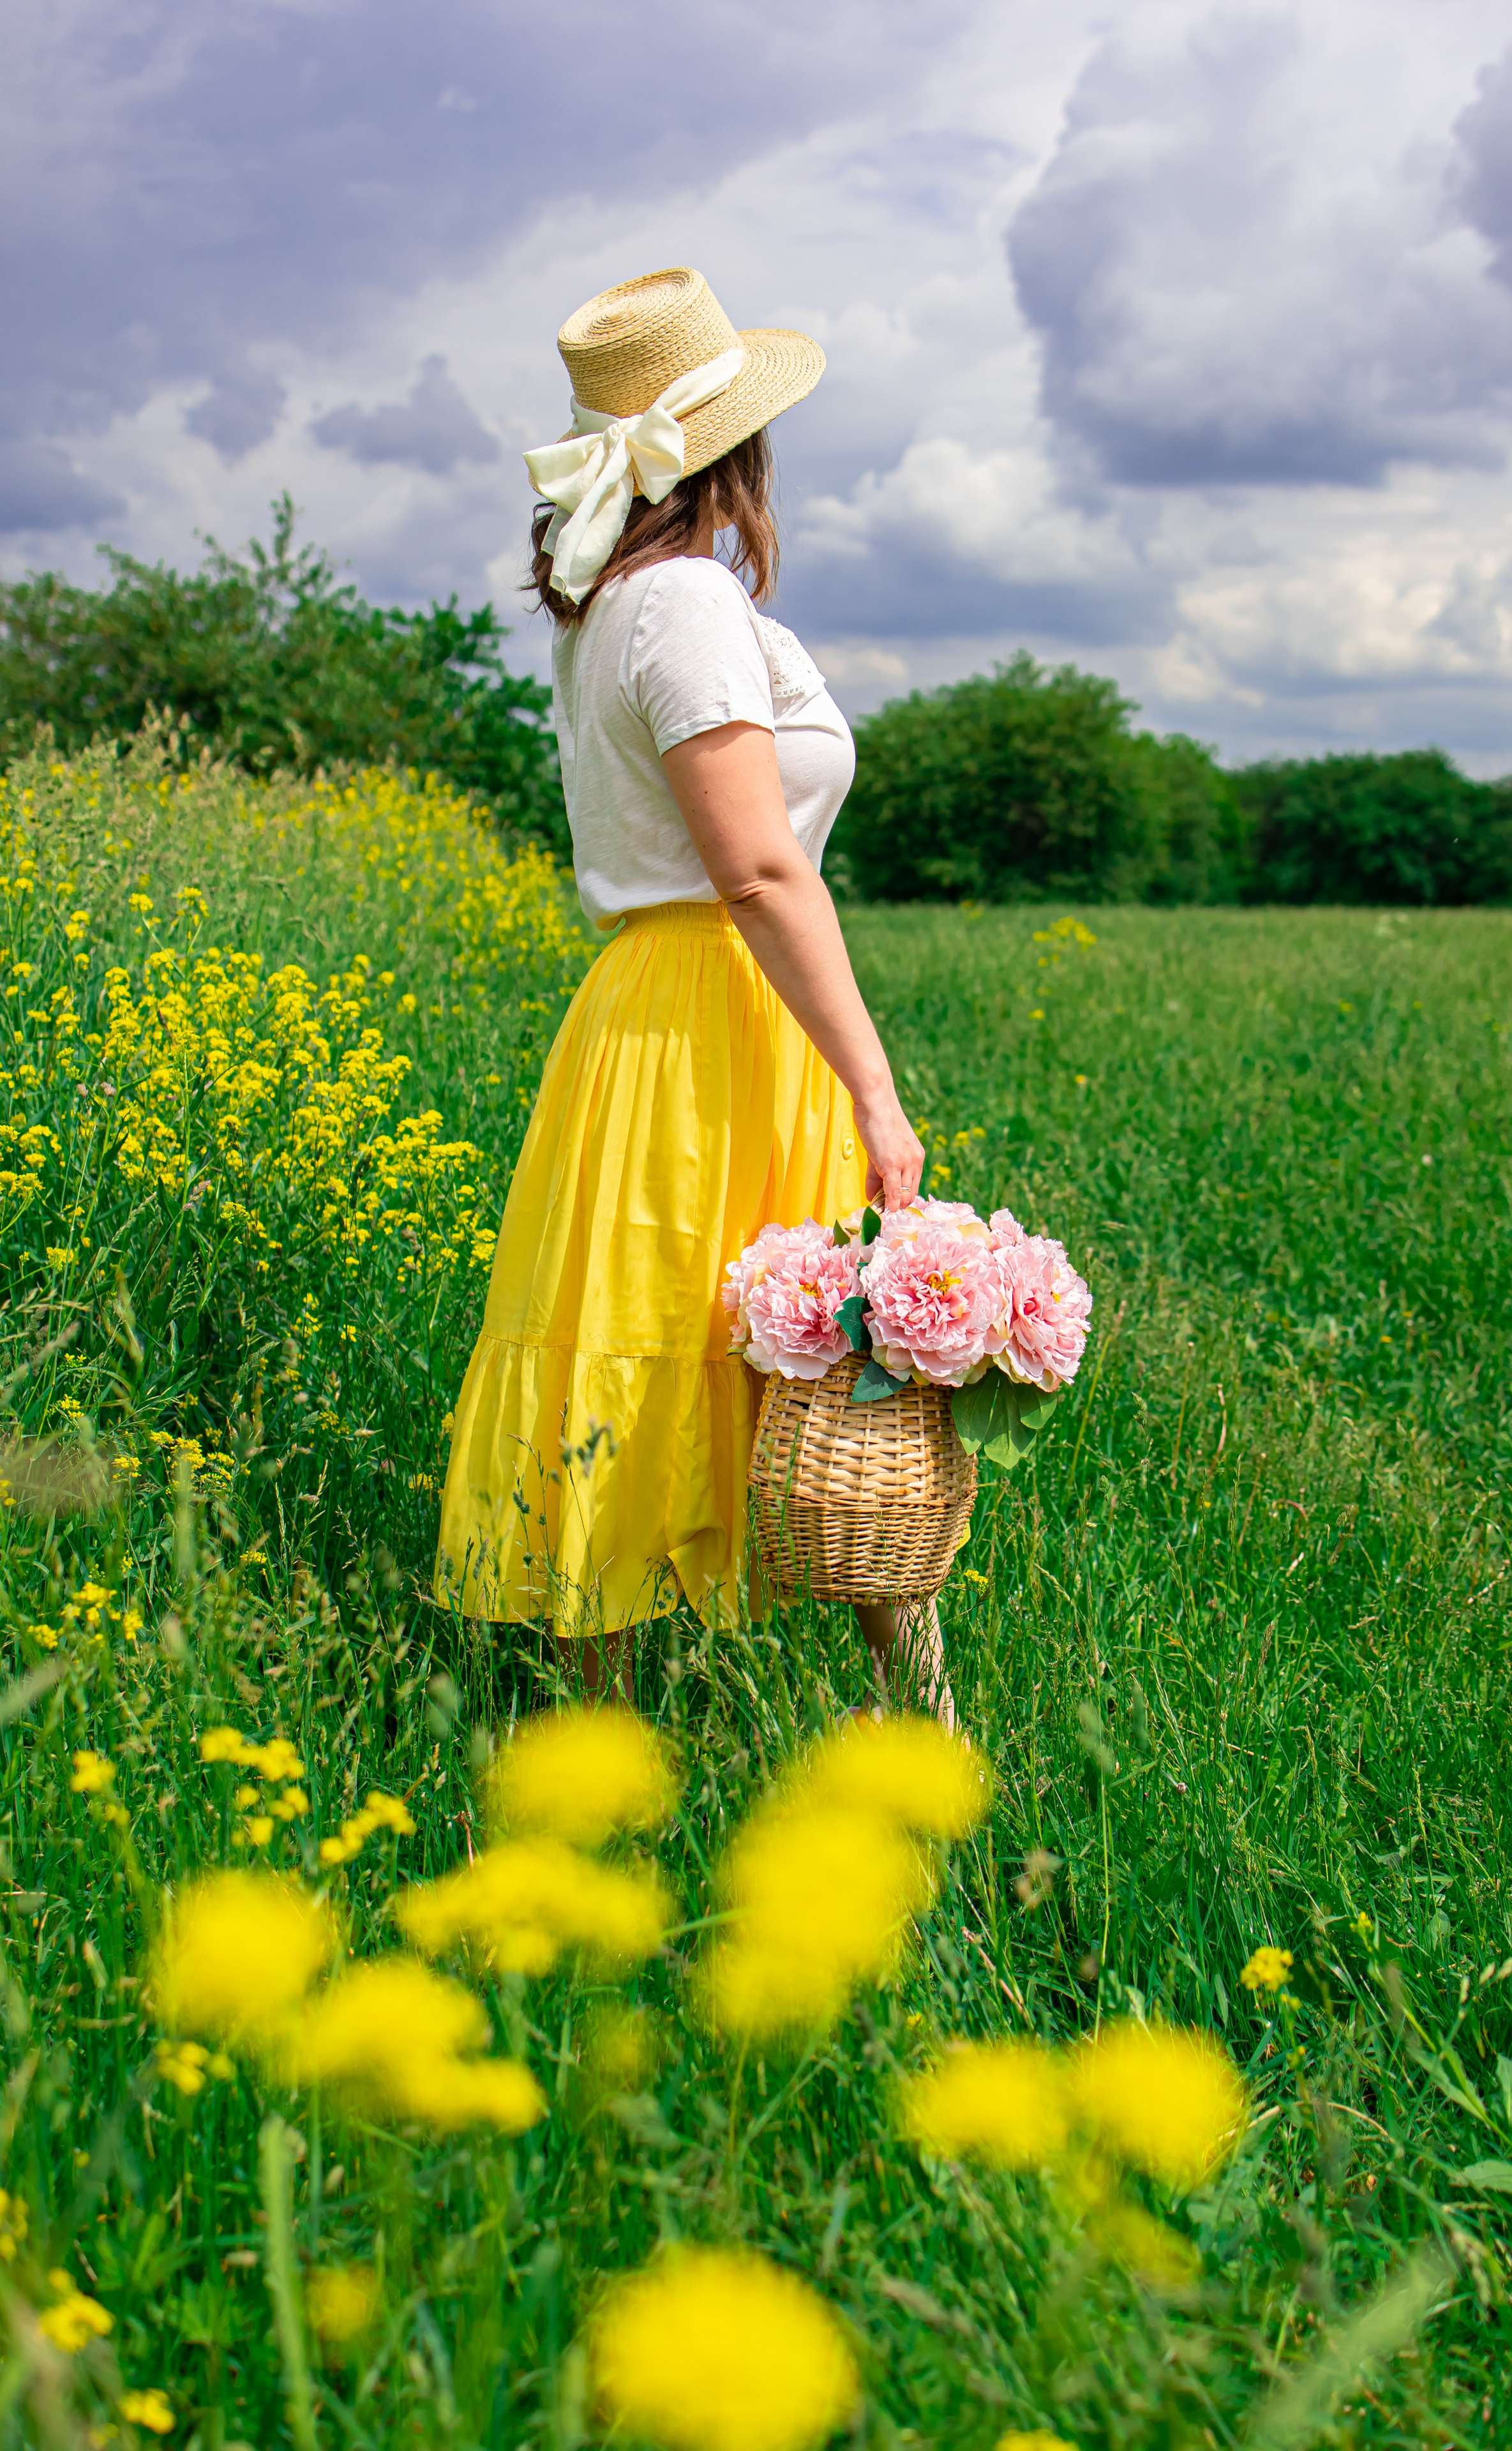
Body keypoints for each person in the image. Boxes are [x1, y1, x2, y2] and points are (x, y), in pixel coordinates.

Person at [435, 265, 950, 1719]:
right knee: (786, 1348)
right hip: (718, 1013)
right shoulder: (685, 608)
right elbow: (761, 874)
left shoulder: (608, 606)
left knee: (696, 1330)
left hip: (659, 1010)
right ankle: (903, 1717)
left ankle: (604, 1727)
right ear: (735, 445)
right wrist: (875, 1088)